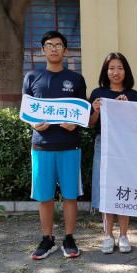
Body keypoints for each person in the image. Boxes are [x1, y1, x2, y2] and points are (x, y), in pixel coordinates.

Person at [23, 30, 87, 260]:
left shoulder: (76, 79)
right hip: (41, 146)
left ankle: (69, 238)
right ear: (43, 50)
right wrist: (33, 124)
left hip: (70, 146)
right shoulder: (32, 77)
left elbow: (83, 111)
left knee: (70, 195)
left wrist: (75, 124)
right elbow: (27, 111)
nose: (53, 49)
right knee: (45, 196)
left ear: (65, 50)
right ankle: (47, 239)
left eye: (58, 45)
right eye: (49, 45)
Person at [89, 52, 137, 254]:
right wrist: (96, 110)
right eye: (111, 68)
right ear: (106, 71)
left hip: (127, 146)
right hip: (104, 144)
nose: (115, 72)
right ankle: (108, 235)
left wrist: (127, 108)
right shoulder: (98, 93)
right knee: (106, 189)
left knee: (123, 187)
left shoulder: (134, 95)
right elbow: (90, 124)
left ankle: (124, 235)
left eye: (120, 68)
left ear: (126, 71)